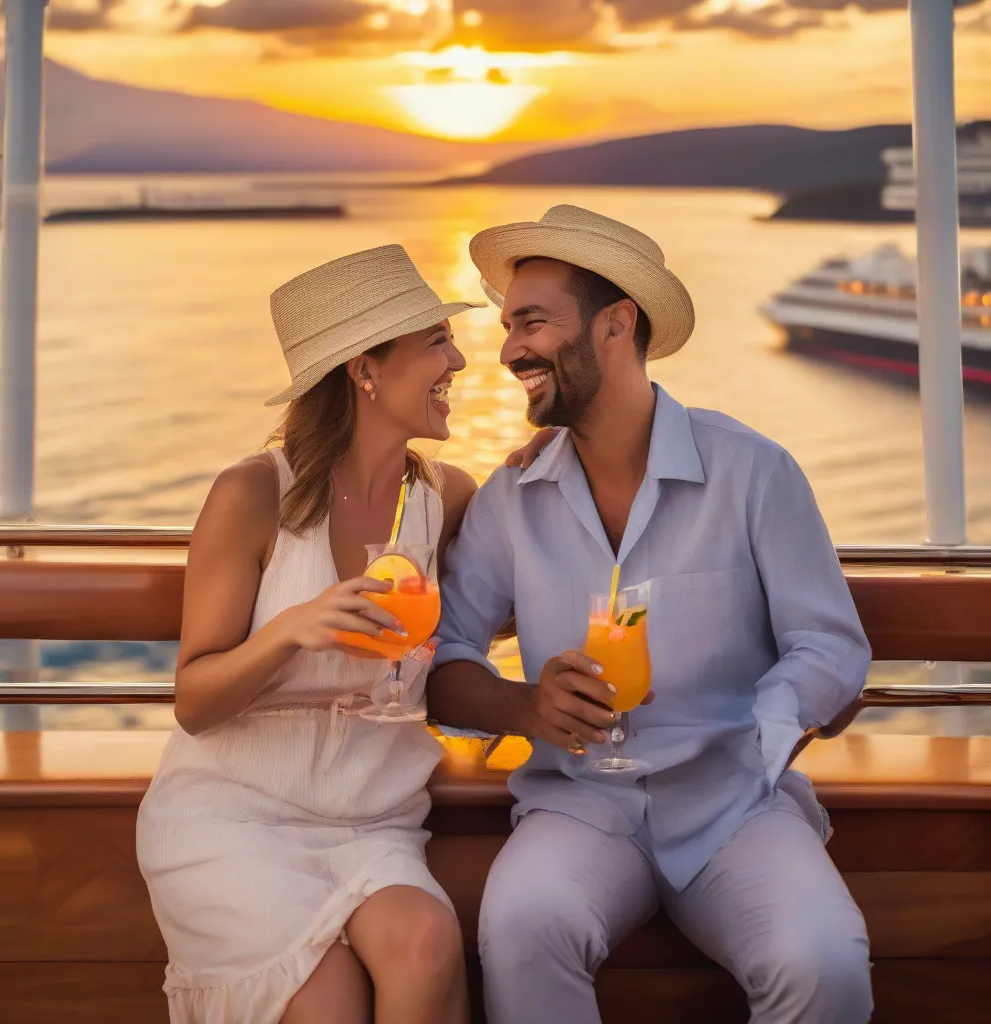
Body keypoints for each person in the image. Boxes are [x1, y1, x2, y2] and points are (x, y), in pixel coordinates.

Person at [427, 205, 874, 1024]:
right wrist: (524, 706)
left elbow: (828, 643)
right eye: (506, 324)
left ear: (616, 323)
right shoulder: (509, 501)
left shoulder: (753, 470)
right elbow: (447, 658)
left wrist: (771, 719)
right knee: (523, 925)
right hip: (579, 806)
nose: (509, 348)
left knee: (824, 961)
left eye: (532, 321)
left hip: (737, 803)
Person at [137, 244, 484, 1024]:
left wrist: (553, 462)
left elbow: (530, 575)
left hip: (371, 820)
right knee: (327, 1002)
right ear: (366, 369)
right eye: (435, 342)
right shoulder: (253, 493)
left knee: (429, 941)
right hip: (233, 815)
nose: (457, 360)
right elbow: (194, 701)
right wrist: (290, 631)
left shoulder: (446, 500)